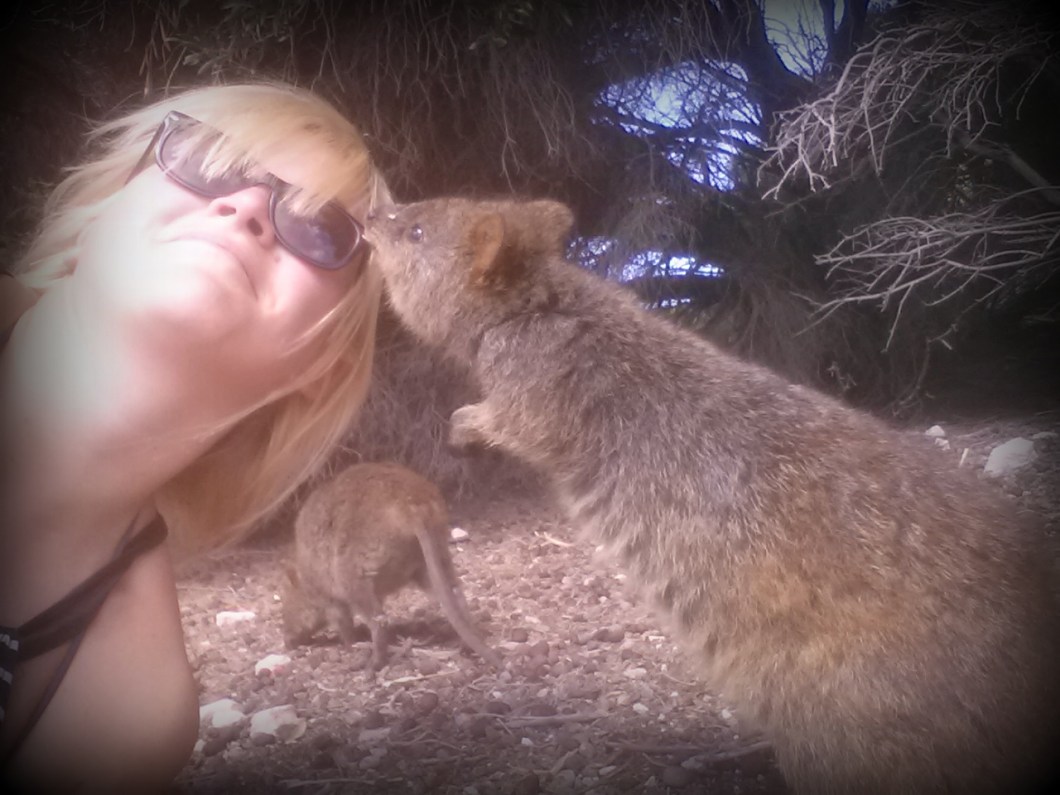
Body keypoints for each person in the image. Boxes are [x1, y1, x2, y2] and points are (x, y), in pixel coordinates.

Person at [0, 81, 391, 791]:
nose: (247, 208)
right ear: (96, 216)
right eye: (205, 160)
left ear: (323, 363)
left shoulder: (130, 713)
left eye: (319, 226)